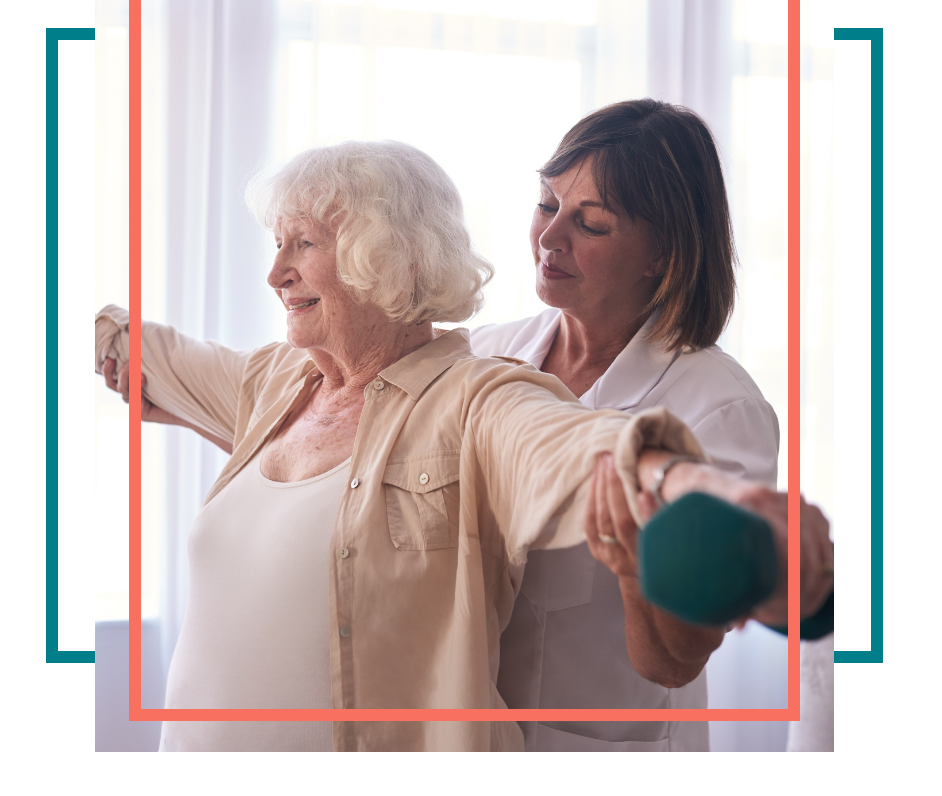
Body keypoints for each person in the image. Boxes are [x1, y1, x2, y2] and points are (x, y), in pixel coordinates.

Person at [106, 100, 782, 752]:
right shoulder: (488, 348)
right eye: (547, 204)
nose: (550, 237)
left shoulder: (716, 405)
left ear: (661, 253)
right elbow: (373, 462)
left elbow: (676, 648)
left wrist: (663, 483)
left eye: (591, 223)